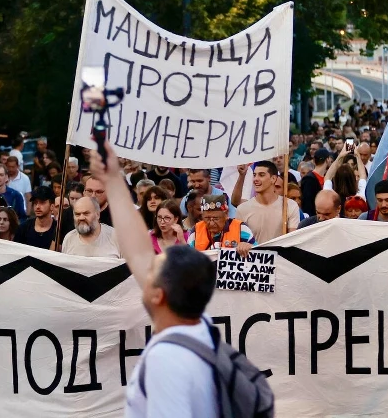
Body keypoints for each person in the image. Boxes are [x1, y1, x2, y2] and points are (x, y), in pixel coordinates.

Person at [90, 144, 269, 418]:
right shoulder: (203, 331)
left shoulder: (169, 360)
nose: (144, 274)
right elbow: (138, 252)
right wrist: (113, 181)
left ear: (158, 295)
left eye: (152, 274)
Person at [234, 161, 299, 244]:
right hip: (253, 256)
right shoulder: (242, 209)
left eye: (261, 175)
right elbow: (239, 242)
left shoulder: (290, 205)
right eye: (254, 175)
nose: (256, 179)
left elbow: (293, 240)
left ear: (273, 179)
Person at [189, 195, 254, 254]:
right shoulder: (196, 230)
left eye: (216, 218)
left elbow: (259, 253)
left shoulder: (241, 228)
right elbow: (188, 257)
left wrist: (249, 247)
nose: (211, 223)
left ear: (226, 214)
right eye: (207, 218)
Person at [299, 148, 332, 217]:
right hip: (313, 220)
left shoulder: (327, 178)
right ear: (327, 159)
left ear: (314, 161)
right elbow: (307, 205)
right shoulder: (309, 179)